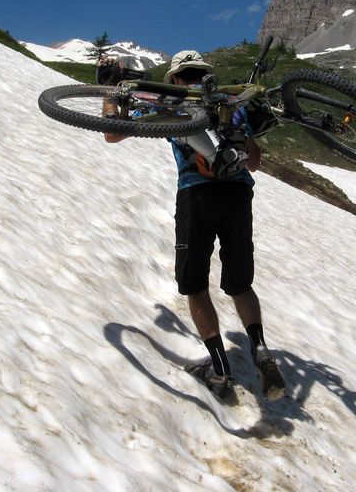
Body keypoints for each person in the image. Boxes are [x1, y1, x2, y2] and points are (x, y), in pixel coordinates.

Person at [101, 51, 285, 401]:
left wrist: (110, 91)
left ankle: (219, 370)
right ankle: (260, 349)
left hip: (195, 195)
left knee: (194, 284)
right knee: (240, 283)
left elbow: (111, 133)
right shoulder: (231, 105)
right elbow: (256, 162)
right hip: (238, 195)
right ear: (205, 74)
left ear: (174, 79)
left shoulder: (170, 104)